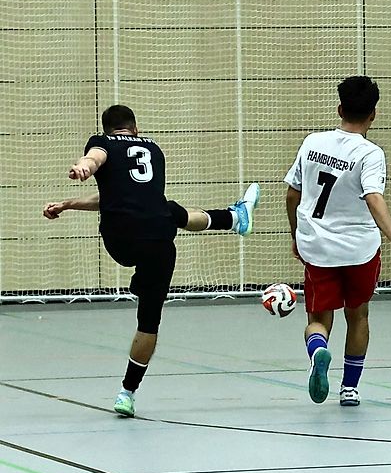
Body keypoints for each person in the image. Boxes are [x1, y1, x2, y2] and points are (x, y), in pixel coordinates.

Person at [43, 104, 260, 417]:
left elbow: (96, 160)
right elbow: (121, 192)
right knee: (149, 320)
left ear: (106, 131)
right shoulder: (154, 149)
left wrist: (83, 168)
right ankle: (127, 394)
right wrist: (70, 202)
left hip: (120, 241)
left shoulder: (101, 143)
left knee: (165, 210)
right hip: (158, 239)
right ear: (136, 129)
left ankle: (235, 219)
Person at [284, 76, 391, 407]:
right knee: (358, 316)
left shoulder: (312, 142)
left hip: (317, 247)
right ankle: (350, 388)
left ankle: (318, 351)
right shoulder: (370, 153)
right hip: (359, 250)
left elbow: (292, 194)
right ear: (373, 114)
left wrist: (295, 233)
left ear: (340, 109)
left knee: (318, 319)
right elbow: (373, 196)